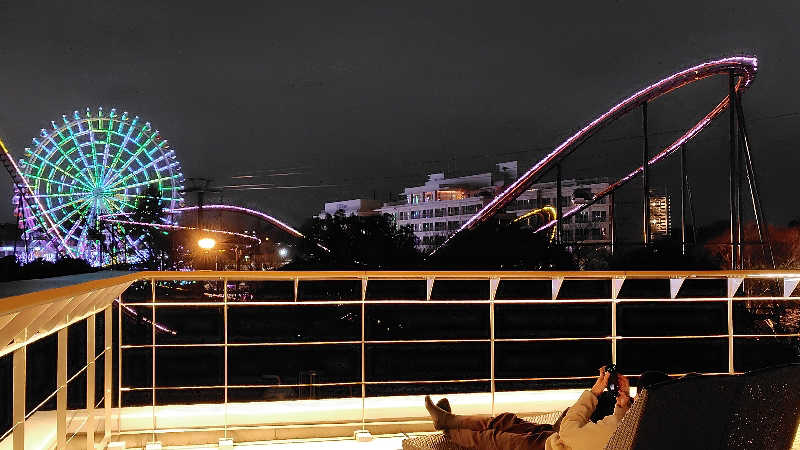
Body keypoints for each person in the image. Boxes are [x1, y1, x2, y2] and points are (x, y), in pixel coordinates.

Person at [423, 367, 667, 450]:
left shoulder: (619, 432)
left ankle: (448, 428)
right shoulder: (659, 430)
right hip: (555, 440)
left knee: (494, 439)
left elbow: (570, 429)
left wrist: (594, 393)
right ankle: (450, 419)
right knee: (508, 421)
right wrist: (623, 406)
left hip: (550, 446)